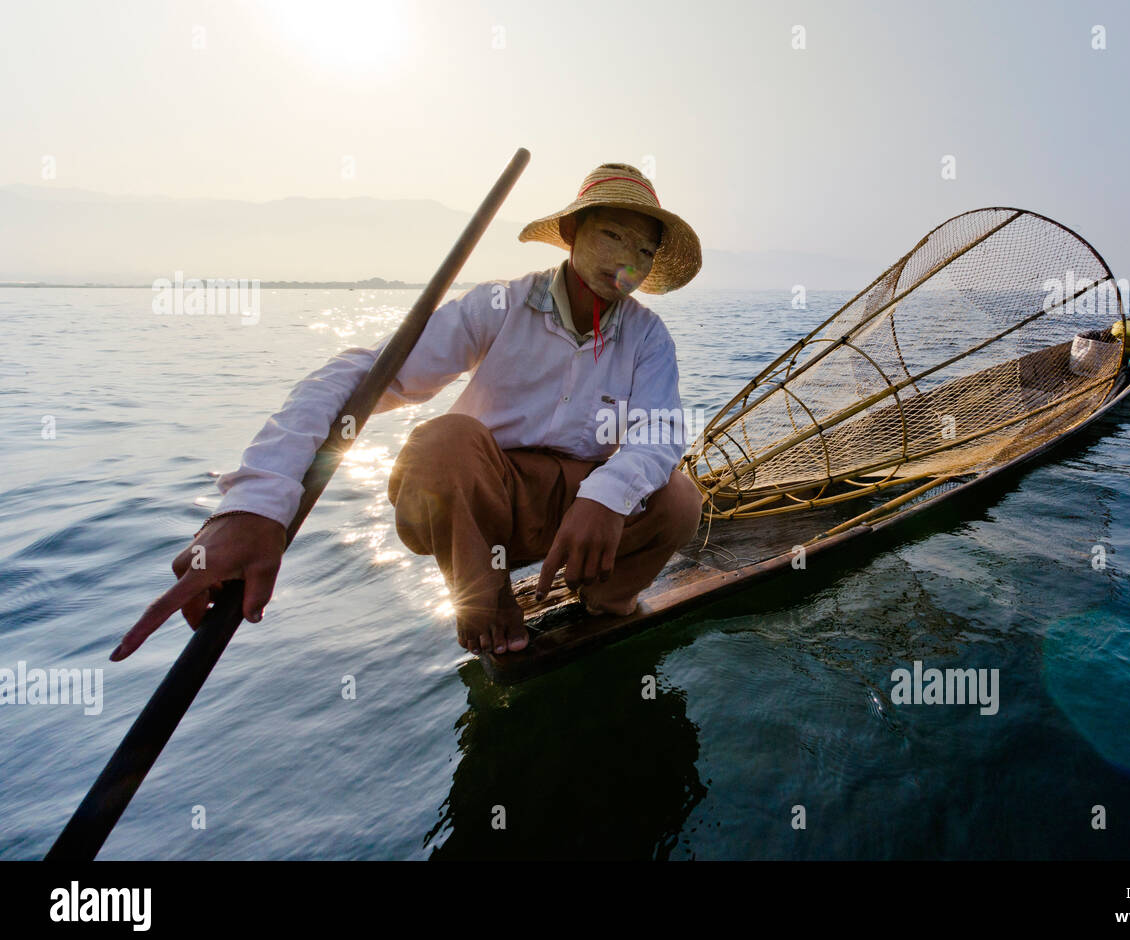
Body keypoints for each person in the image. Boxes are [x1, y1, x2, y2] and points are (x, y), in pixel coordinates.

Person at [112, 162, 705, 661]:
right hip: (481, 509)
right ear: (573, 232)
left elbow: (657, 434)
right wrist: (258, 501)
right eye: (612, 236)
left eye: (645, 251)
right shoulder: (500, 304)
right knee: (442, 442)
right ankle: (484, 594)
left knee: (680, 498)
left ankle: (608, 598)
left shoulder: (648, 338)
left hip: (582, 517)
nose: (628, 262)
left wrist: (606, 496)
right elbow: (362, 378)